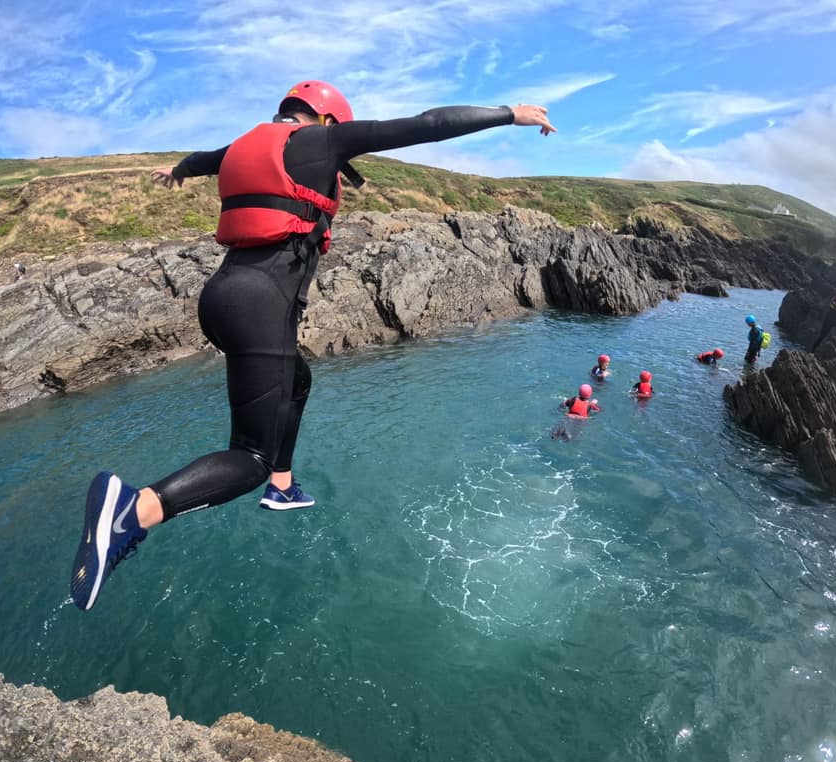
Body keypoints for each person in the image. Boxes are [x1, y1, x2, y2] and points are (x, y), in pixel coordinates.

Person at [69, 80, 557, 611]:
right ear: (326, 122)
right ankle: (132, 511)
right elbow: (428, 125)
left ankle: (282, 485)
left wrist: (177, 172)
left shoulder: (240, 147)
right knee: (248, 455)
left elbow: (201, 159)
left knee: (298, 380)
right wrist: (511, 114)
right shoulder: (320, 142)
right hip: (260, 307)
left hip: (222, 298)